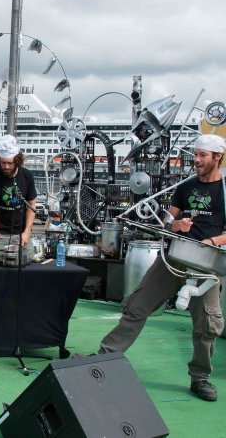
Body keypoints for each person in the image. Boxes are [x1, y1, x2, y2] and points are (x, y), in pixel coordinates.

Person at [89, 134, 225, 402]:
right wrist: (176, 226)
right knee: (137, 305)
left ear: (218, 157)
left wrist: (211, 240)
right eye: (195, 154)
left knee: (206, 324)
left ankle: (200, 378)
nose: (196, 160)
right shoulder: (185, 187)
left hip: (207, 265)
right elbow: (166, 222)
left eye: (202, 156)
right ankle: (106, 357)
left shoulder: (225, 191)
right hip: (175, 256)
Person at [0, 134, 37, 260]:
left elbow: (31, 206)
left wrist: (27, 232)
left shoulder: (27, 176)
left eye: (10, 163)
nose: (6, 167)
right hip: (0, 235)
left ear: (17, 161)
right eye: (3, 163)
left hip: (21, 234)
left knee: (29, 268)